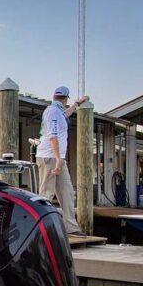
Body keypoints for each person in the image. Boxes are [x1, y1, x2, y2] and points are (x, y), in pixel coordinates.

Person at [35, 86, 89, 236]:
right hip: (49, 157)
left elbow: (65, 115)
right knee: (47, 192)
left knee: (67, 192)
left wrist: (77, 104)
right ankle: (40, 228)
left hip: (58, 157)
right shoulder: (52, 112)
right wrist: (58, 160)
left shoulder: (58, 112)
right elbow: (53, 136)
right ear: (65, 99)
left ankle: (71, 227)